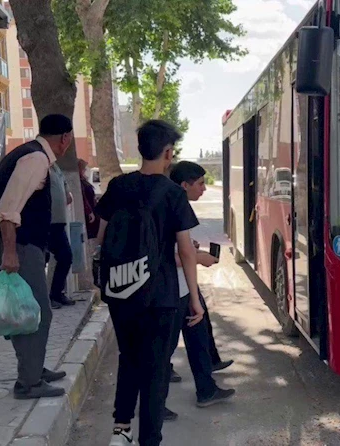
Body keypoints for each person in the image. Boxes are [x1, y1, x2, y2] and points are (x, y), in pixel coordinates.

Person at [95, 120, 204, 446]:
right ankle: (149, 441)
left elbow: (101, 238)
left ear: (141, 148)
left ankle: (121, 432)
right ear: (168, 153)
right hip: (160, 295)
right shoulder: (173, 193)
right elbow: (186, 251)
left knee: (128, 359)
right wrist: (194, 298)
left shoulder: (118, 186)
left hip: (120, 290)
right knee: (156, 372)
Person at [0, 114, 74, 399]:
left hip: (18, 244)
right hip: (20, 246)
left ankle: (33, 369)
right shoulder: (35, 159)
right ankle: (29, 382)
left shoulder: (26, 153)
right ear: (65, 138)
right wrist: (11, 253)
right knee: (35, 313)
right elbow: (8, 210)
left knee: (26, 310)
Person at [161, 161, 235, 420]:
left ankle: (206, 389)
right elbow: (164, 256)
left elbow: (178, 248)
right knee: (163, 349)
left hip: (183, 287)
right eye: (201, 184)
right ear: (184, 185)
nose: (204, 188)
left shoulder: (175, 204)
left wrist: (191, 250)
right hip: (171, 290)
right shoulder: (170, 206)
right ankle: (152, 404)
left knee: (198, 337)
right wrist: (198, 257)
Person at [45, 162, 76, 309]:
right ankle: (45, 299)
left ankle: (56, 294)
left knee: (66, 257)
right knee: (40, 261)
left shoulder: (56, 167)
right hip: (45, 222)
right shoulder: (41, 164)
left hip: (58, 223)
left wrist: (66, 193)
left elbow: (68, 195)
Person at [78, 158, 99, 241]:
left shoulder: (83, 181)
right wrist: (89, 211)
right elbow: (84, 198)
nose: (85, 170)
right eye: (83, 169)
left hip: (92, 209)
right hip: (89, 212)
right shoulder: (80, 182)